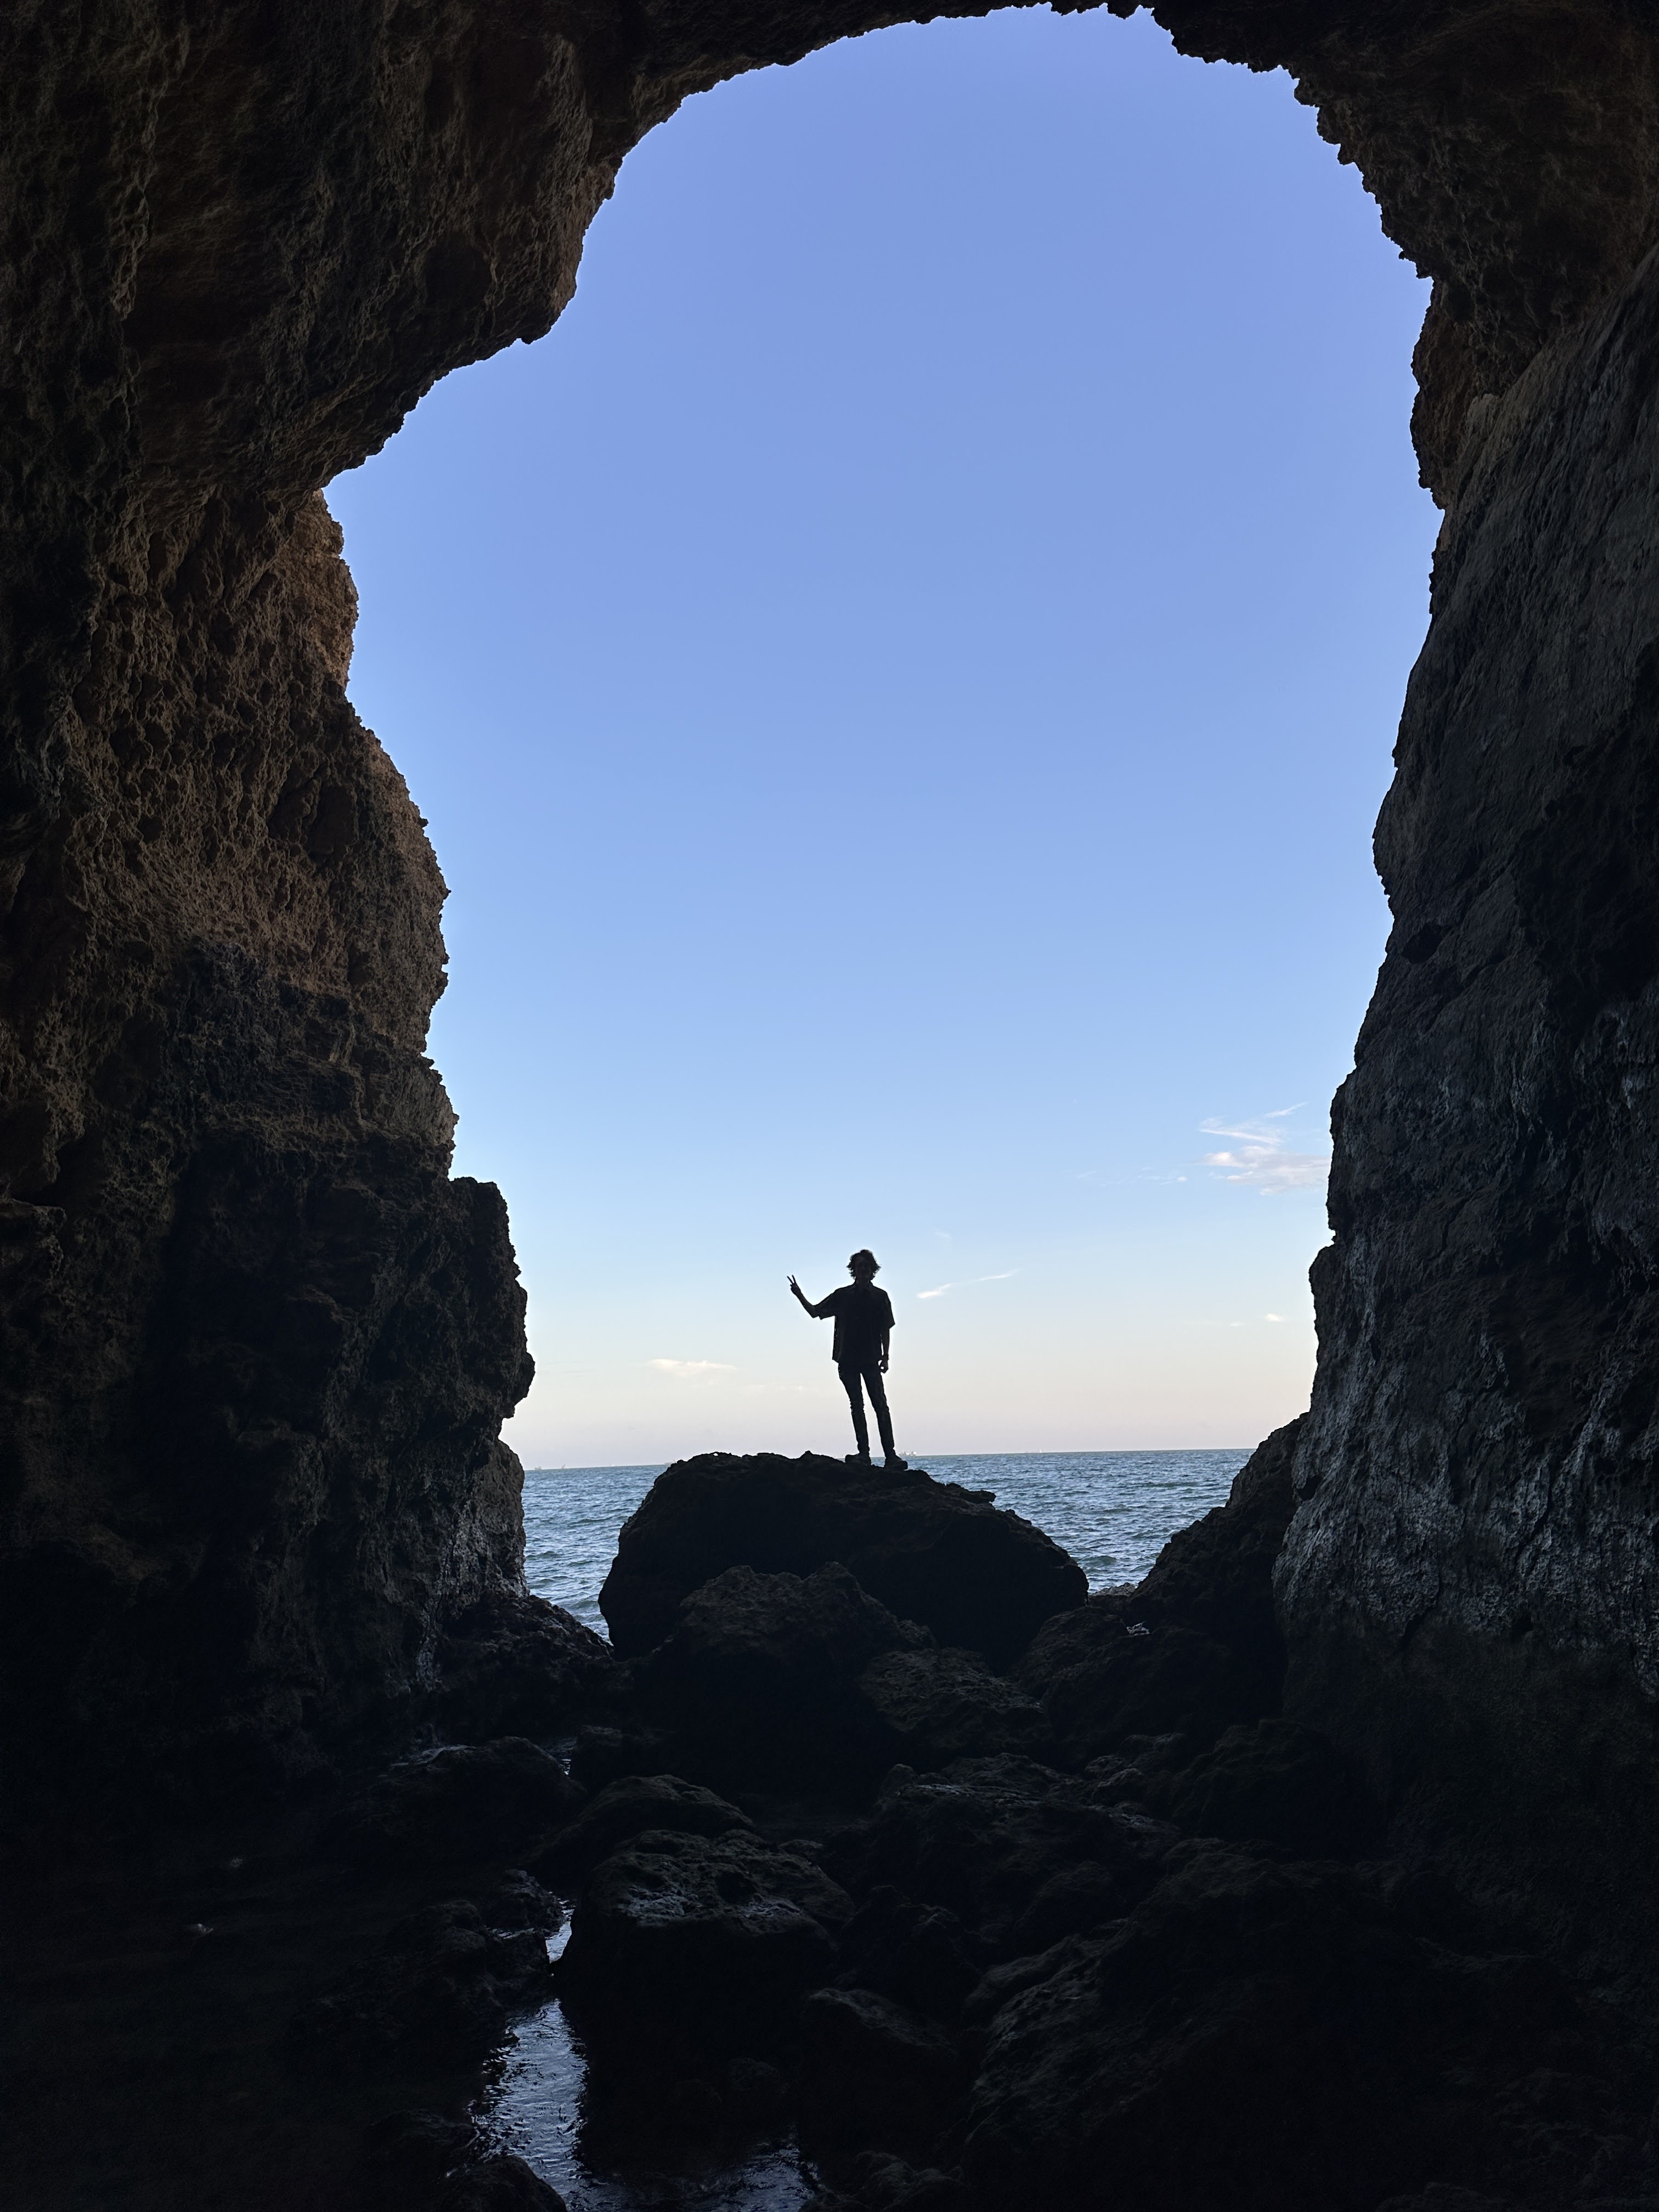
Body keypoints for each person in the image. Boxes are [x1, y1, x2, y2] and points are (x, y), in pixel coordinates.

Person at [788, 1249, 908, 1470]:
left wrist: (886, 1356)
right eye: (859, 1266)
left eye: (866, 1266)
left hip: (871, 1359)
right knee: (857, 1406)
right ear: (854, 1270)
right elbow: (815, 1312)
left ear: (872, 1270)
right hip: (847, 1360)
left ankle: (891, 1456)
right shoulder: (842, 1296)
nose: (863, 1269)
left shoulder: (880, 1297)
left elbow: (886, 1328)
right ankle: (864, 1454)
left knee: (881, 1406)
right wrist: (799, 1294)